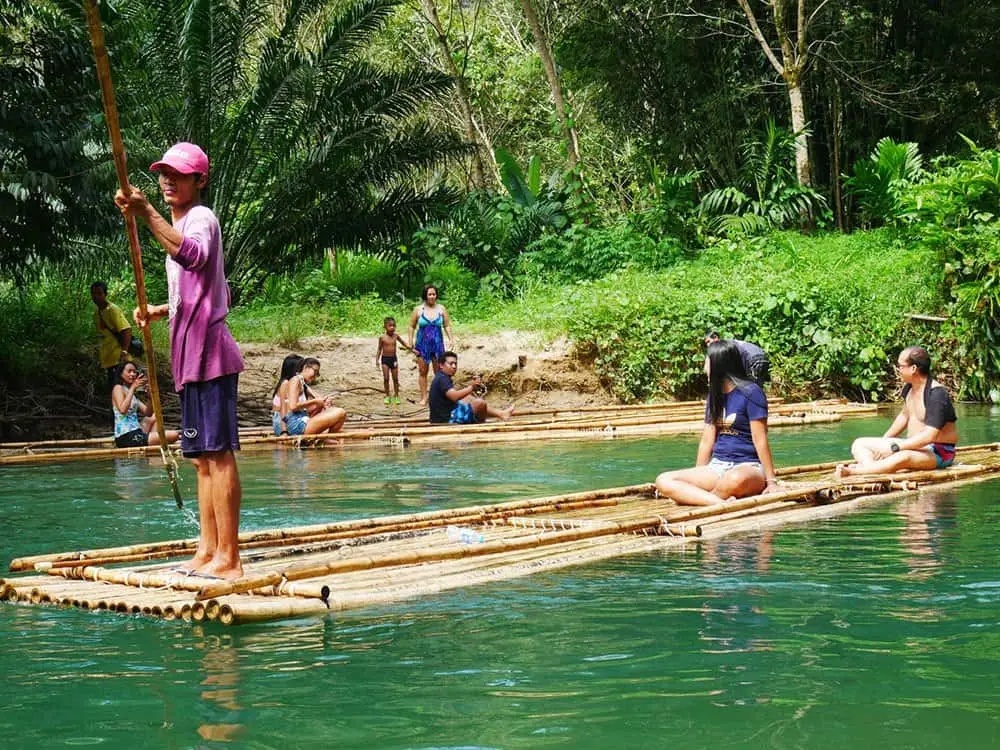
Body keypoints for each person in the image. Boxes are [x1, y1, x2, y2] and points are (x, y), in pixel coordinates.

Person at [115, 141, 245, 580]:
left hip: (211, 355)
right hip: (189, 357)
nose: (169, 180)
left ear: (200, 181)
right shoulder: (180, 224)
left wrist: (145, 212)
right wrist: (159, 310)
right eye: (164, 173)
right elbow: (203, 289)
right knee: (201, 460)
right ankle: (207, 550)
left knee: (219, 456)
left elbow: (192, 255)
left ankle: (231, 558)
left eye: (180, 174)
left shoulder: (201, 220)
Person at [655, 339, 778, 506]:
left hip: (748, 467)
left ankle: (701, 498)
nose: (704, 365)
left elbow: (760, 440)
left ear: (719, 363)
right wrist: (697, 475)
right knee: (664, 480)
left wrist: (771, 482)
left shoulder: (751, 392)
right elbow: (707, 442)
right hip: (717, 467)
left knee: (734, 479)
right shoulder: (714, 396)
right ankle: (719, 502)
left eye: (707, 360)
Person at [836, 346, 958, 477]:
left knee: (903, 457)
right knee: (859, 444)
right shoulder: (909, 388)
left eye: (901, 366)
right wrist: (884, 442)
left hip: (939, 452)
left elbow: (930, 436)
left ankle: (856, 471)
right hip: (913, 446)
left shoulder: (936, 395)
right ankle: (872, 467)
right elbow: (904, 416)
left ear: (913, 369)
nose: (898, 370)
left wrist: (895, 448)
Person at [428, 351, 513, 424]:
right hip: (447, 419)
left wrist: (470, 388)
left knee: (468, 398)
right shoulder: (442, 379)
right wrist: (471, 387)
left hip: (443, 415)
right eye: (450, 364)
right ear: (441, 365)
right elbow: (454, 397)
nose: (454, 366)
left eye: (455, 364)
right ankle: (480, 423)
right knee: (480, 403)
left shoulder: (441, 377)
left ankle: (501, 414)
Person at [112, 362, 180, 448]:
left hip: (136, 431)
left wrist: (149, 397)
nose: (132, 374)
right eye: (129, 371)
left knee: (154, 417)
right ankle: (153, 441)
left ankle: (152, 441)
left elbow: (148, 413)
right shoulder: (118, 388)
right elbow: (122, 410)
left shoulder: (131, 393)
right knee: (175, 435)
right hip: (126, 436)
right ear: (121, 374)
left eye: (134, 372)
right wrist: (133, 387)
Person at [409, 284, 454, 405]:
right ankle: (424, 397)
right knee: (423, 370)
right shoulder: (418, 310)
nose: (432, 296)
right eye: (430, 294)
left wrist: (451, 339)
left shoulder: (441, 309)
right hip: (422, 344)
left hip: (437, 344)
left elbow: (447, 325)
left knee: (439, 371)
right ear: (425, 295)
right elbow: (411, 326)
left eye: (434, 294)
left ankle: (438, 397)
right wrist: (410, 342)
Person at [284, 357, 348, 435]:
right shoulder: (295, 380)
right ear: (305, 367)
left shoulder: (301, 382)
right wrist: (314, 401)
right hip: (297, 425)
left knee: (335, 411)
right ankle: (328, 438)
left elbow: (317, 398)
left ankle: (328, 437)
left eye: (317, 373)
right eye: (315, 371)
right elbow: (293, 406)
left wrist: (323, 402)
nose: (316, 376)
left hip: (302, 420)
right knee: (340, 412)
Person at [91, 280, 135, 391]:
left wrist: (124, 351)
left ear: (105, 294)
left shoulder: (112, 310)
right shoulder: (97, 313)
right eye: (94, 294)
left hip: (118, 358)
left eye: (99, 293)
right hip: (108, 358)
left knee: (120, 389)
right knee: (114, 389)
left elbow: (126, 329)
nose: (96, 297)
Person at [705, 331, 770, 385]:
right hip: (762, 356)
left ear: (716, 337)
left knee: (751, 387)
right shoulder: (731, 342)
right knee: (757, 386)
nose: (708, 345)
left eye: (708, 341)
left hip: (753, 359)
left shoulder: (724, 347)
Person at [376, 317, 412, 405]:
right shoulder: (382, 338)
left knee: (395, 379)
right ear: (385, 326)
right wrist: (377, 360)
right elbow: (379, 349)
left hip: (393, 359)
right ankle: (387, 396)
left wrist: (412, 349)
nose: (392, 327)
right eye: (390, 325)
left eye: (394, 325)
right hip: (385, 359)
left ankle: (396, 395)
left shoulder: (396, 336)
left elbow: (404, 343)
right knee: (386, 378)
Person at [270, 354, 303, 436]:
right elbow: (283, 409)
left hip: (294, 418)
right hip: (284, 422)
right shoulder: (285, 384)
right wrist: (284, 431)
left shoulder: (299, 383)